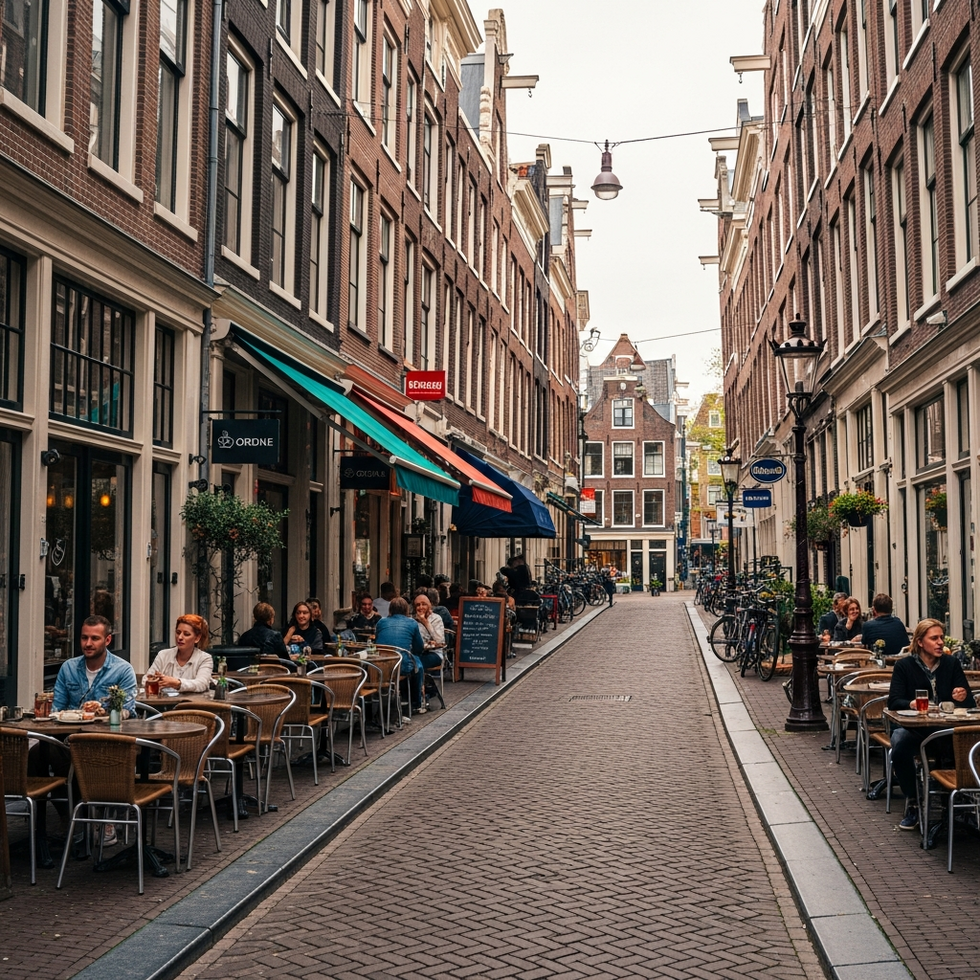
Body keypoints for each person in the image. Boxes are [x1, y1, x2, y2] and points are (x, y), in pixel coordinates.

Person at [888, 618, 972, 831]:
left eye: (941, 638)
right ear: (920, 642)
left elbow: (968, 701)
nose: (940, 643)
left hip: (945, 728)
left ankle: (957, 802)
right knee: (899, 744)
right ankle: (914, 802)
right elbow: (894, 701)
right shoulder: (904, 666)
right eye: (934, 638)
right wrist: (911, 703)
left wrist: (961, 696)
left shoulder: (951, 664)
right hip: (916, 729)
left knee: (966, 743)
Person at [53, 615, 137, 717]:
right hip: (70, 731)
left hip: (107, 731)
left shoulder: (123, 670)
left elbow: (127, 711)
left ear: (107, 640)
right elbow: (57, 708)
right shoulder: (68, 668)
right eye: (84, 638)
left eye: (95, 638)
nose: (88, 643)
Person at [375, 597, 426, 713]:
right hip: (401, 667)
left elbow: (377, 641)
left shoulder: (381, 622)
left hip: (381, 666)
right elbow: (419, 647)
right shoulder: (412, 623)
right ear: (406, 610)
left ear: (390, 609)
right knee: (418, 664)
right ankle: (416, 703)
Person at [145, 614, 214, 693]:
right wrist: (157, 680)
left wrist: (177, 683)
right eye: (178, 632)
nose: (180, 637)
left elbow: (202, 684)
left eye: (186, 634)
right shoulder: (163, 655)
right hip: (162, 703)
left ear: (197, 638)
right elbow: (145, 680)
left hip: (192, 704)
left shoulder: (204, 659)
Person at [859, 594, 909, 658]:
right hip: (899, 660)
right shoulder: (899, 623)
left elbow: (865, 646)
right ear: (891, 609)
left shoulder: (868, 626)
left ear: (874, 610)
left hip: (879, 661)